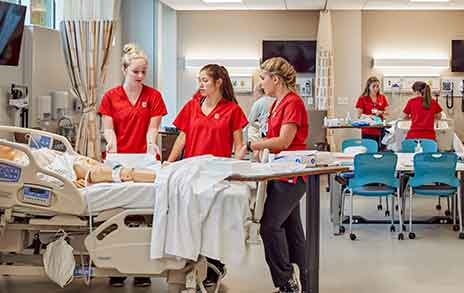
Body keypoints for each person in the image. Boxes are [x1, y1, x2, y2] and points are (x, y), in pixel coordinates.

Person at [167, 64, 248, 289]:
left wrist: (239, 165)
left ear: (218, 82)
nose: (200, 85)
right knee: (191, 218)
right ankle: (191, 261)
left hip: (217, 174)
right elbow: (182, 137)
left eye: (204, 80)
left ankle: (215, 264)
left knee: (213, 221)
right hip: (191, 171)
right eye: (199, 80)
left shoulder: (232, 110)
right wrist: (170, 162)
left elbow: (240, 145)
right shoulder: (192, 106)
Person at [98, 43, 167, 288]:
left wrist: (151, 145)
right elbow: (108, 128)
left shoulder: (154, 96)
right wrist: (112, 143)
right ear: (124, 69)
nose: (140, 76)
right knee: (115, 213)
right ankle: (115, 268)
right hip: (119, 159)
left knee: (146, 215)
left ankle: (142, 268)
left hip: (144, 159)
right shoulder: (110, 97)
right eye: (135, 71)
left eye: (143, 72)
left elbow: (153, 128)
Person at [244, 57, 309, 293]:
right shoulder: (277, 103)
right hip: (279, 173)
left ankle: (286, 281)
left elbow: (284, 141)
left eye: (263, 78)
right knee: (292, 230)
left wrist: (255, 145)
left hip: (290, 176)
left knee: (269, 227)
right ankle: (304, 278)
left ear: (275, 79)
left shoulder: (293, 103)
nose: (261, 84)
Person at [355, 76, 389, 148]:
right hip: (368, 129)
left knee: (381, 150)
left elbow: (387, 112)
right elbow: (359, 115)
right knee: (369, 149)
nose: (376, 88)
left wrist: (380, 112)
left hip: (380, 128)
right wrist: (369, 116)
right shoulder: (362, 99)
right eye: (373, 86)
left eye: (377, 86)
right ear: (368, 87)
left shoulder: (382, 97)